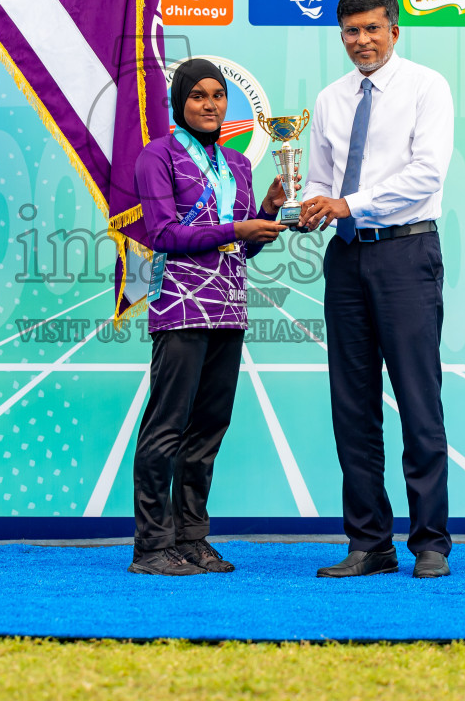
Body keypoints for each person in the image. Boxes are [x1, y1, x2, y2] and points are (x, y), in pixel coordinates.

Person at [298, 0, 455, 579]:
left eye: (371, 29)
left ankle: (431, 543)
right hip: (345, 260)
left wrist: (348, 203)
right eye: (349, 32)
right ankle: (369, 543)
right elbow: (318, 178)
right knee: (352, 406)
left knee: (418, 400)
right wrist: (311, 206)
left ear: (394, 29)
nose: (361, 41)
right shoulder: (329, 99)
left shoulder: (426, 86)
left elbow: (426, 174)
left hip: (406, 254)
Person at [128, 58, 288, 575]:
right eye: (197, 95)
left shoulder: (238, 166)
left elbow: (239, 250)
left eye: (218, 95)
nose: (210, 104)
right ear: (180, 102)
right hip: (179, 306)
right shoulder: (159, 157)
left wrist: (264, 215)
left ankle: (192, 539)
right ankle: (152, 547)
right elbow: (164, 235)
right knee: (167, 427)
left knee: (209, 427)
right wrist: (239, 230)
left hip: (229, 306)